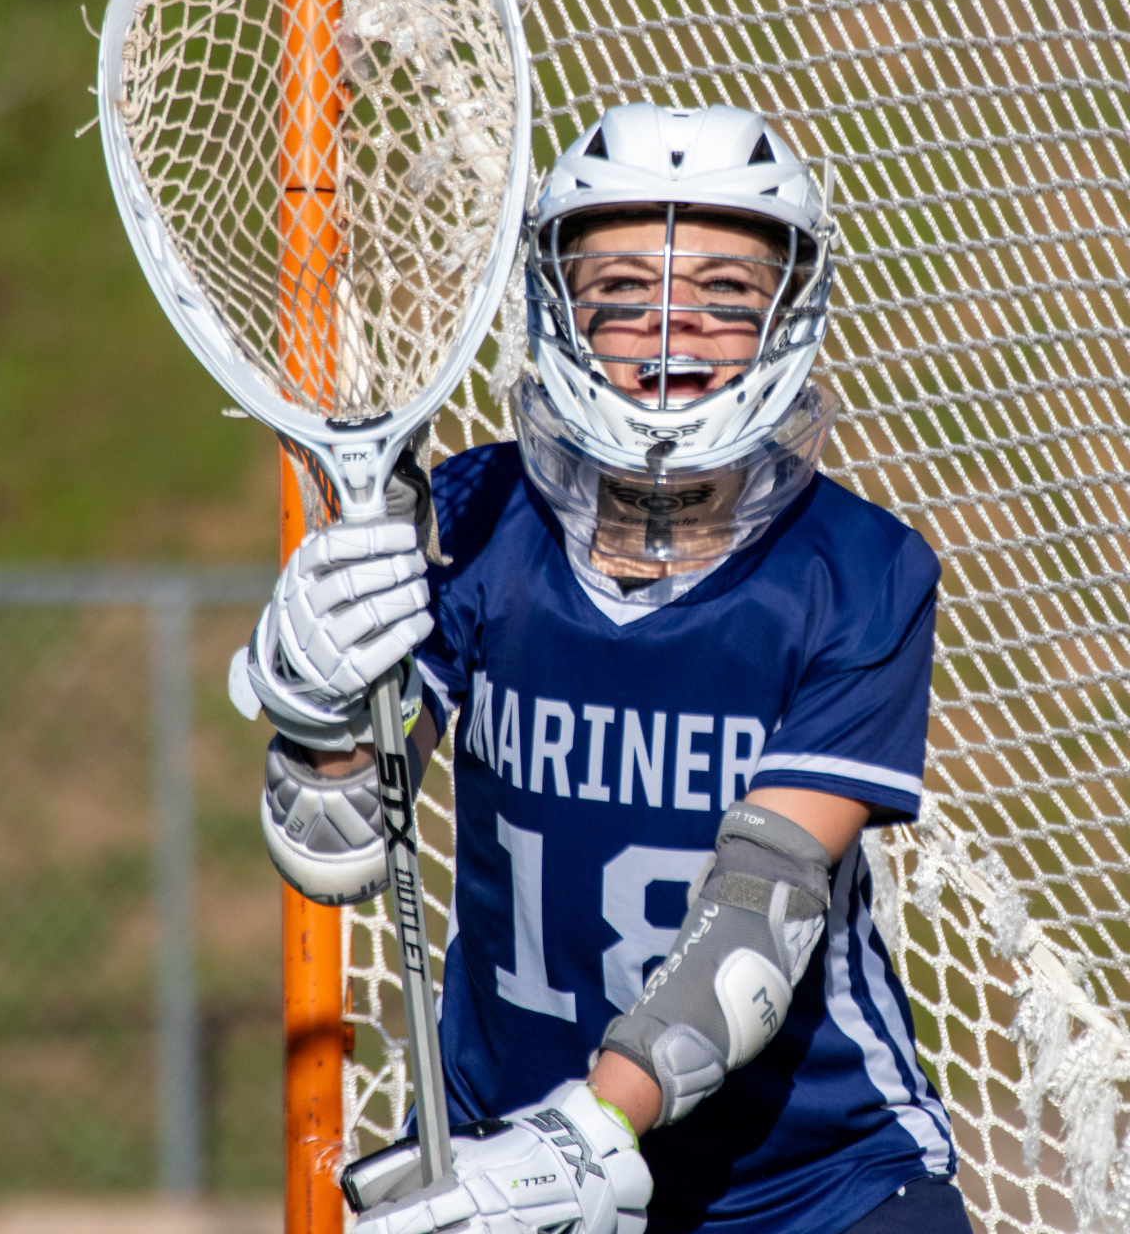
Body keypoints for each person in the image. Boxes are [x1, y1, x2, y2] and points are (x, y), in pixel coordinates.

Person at [240, 104, 970, 1234]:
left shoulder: (858, 570)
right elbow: (338, 847)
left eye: (726, 289)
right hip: (496, 1148)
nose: (673, 325)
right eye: (625, 288)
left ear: (788, 312)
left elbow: (758, 921)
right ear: (561, 310)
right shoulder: (478, 518)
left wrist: (588, 1130)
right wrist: (316, 715)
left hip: (806, 1183)